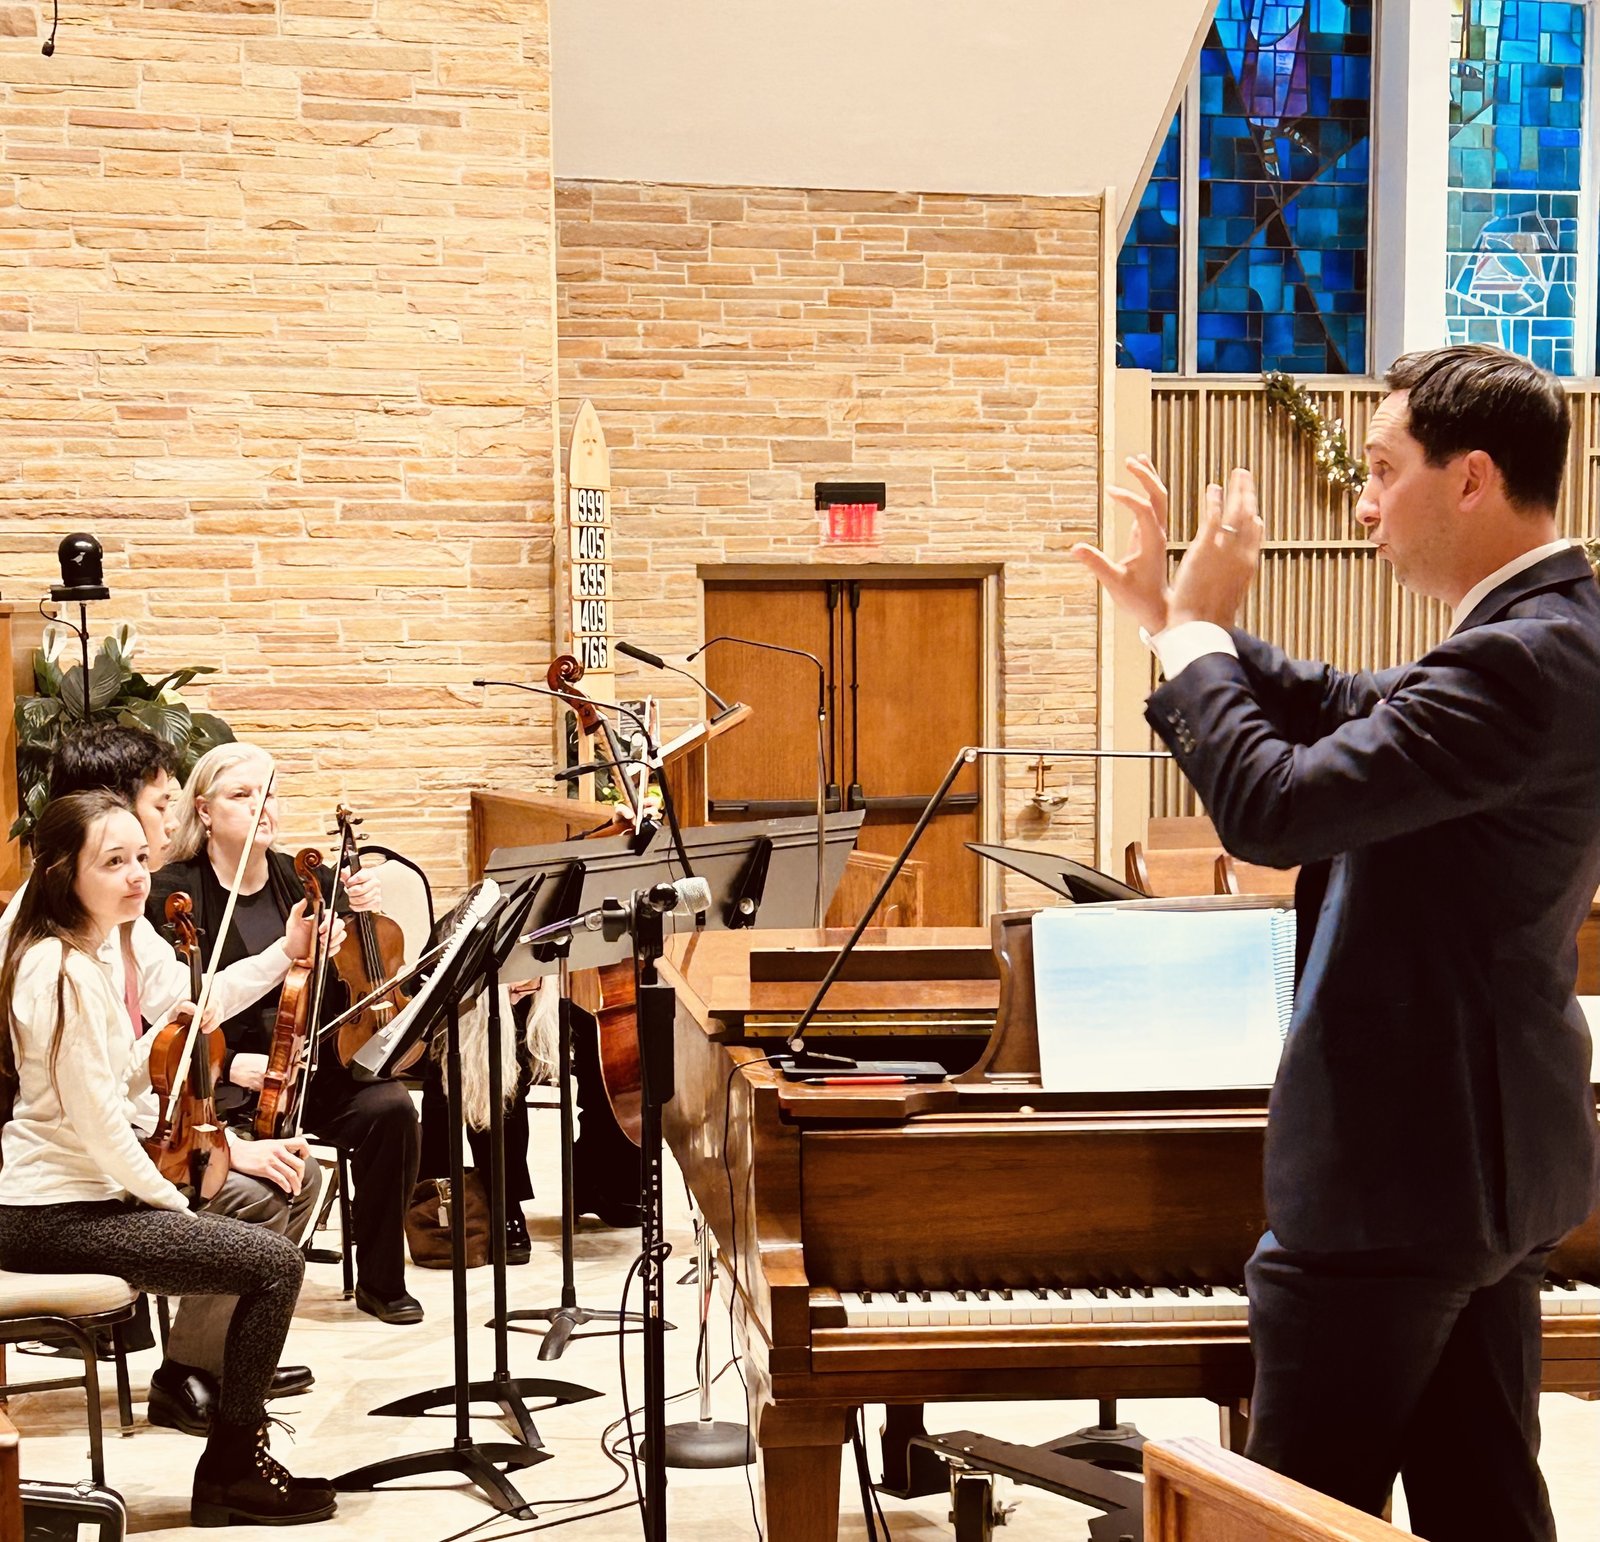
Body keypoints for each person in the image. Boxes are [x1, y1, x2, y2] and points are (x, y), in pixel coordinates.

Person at [1074, 344, 1600, 1542]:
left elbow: (1274, 806)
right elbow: (1338, 703)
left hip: (1394, 1177)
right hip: (1481, 1176)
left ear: (1469, 478)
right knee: (1484, 1505)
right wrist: (1177, 627)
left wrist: (1200, 635)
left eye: (1377, 470)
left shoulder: (1514, 657)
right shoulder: (1549, 630)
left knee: (1288, 1521)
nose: (1360, 502)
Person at [0, 791, 334, 1525]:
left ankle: (230, 1456)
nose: (136, 877)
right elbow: (96, 1127)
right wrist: (171, 1202)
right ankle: (230, 1472)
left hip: (77, 1200)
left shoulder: (85, 954)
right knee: (274, 1264)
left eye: (140, 859)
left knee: (263, 1253)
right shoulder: (59, 971)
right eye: (112, 863)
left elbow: (192, 1011)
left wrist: (285, 954)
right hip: (53, 1212)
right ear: (61, 873)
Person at [151, 743, 423, 1325]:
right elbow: (164, 1015)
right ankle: (234, 1303)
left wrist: (362, 911)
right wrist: (229, 1065)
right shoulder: (173, 894)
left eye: (267, 793)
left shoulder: (305, 881)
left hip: (307, 1070)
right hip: (217, 1082)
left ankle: (382, 1280)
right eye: (241, 796)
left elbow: (350, 972)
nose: (261, 808)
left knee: (392, 1108)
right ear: (203, 812)